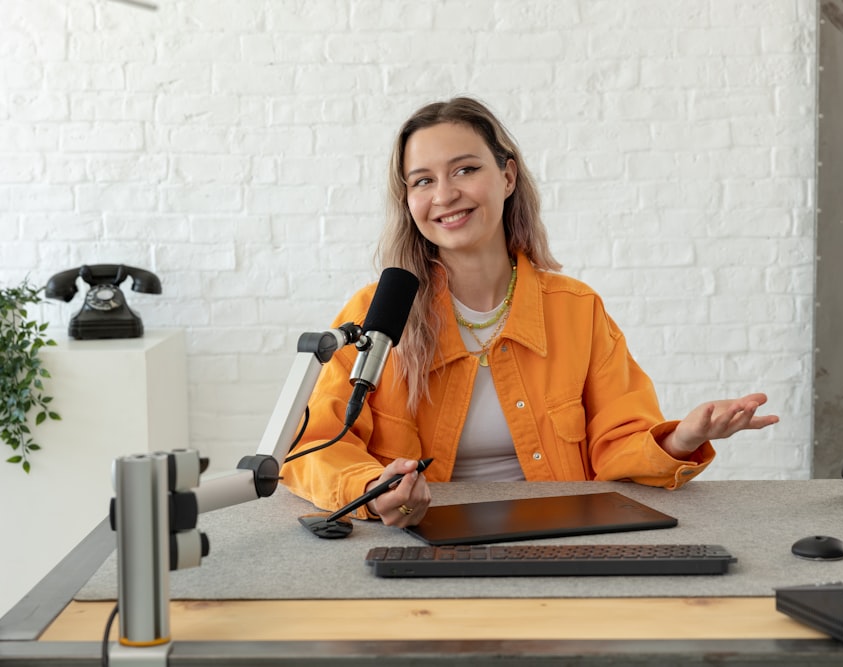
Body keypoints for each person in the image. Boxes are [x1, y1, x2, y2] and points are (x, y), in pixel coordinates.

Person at [281, 97, 779, 526]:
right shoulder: (375, 314)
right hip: (417, 539)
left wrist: (681, 438)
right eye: (422, 181)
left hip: (557, 538)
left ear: (508, 175)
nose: (445, 194)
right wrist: (375, 487)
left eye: (466, 169)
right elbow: (315, 445)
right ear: (407, 198)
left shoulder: (576, 310)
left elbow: (618, 445)